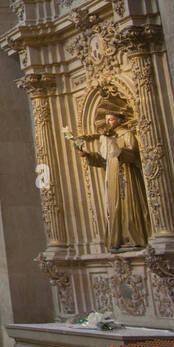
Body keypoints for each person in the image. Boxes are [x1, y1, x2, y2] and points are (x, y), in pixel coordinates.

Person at [68, 100, 151, 250]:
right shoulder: (107, 138)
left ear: (119, 119)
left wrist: (119, 151)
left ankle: (135, 237)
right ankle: (120, 238)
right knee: (114, 206)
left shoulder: (127, 134)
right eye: (107, 120)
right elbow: (104, 159)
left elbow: (134, 154)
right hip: (112, 175)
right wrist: (88, 155)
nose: (108, 122)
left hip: (127, 173)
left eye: (111, 119)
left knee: (129, 204)